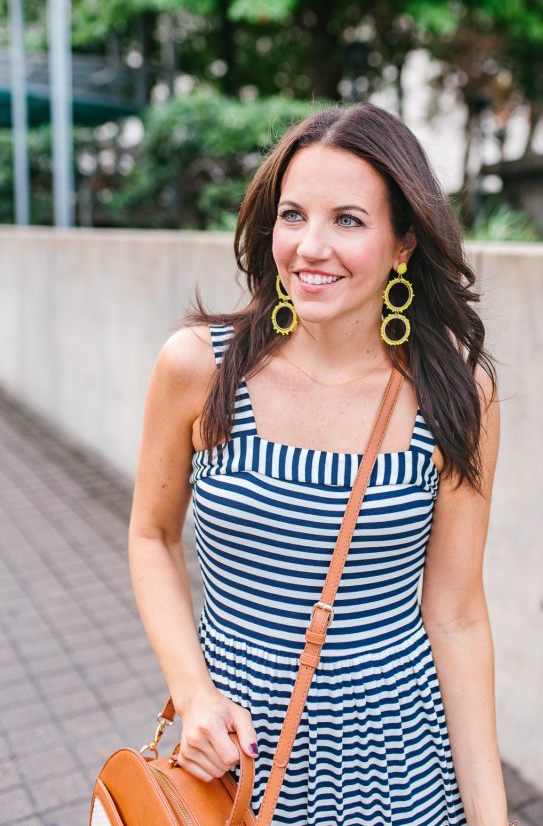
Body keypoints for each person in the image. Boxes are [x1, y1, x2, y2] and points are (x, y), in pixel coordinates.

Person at [129, 101, 516, 826]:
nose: (310, 246)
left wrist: (492, 817)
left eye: (348, 220)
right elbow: (152, 537)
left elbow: (458, 615)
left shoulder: (458, 396)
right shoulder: (199, 369)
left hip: (401, 771)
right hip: (237, 763)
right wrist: (193, 695)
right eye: (293, 215)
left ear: (403, 244)